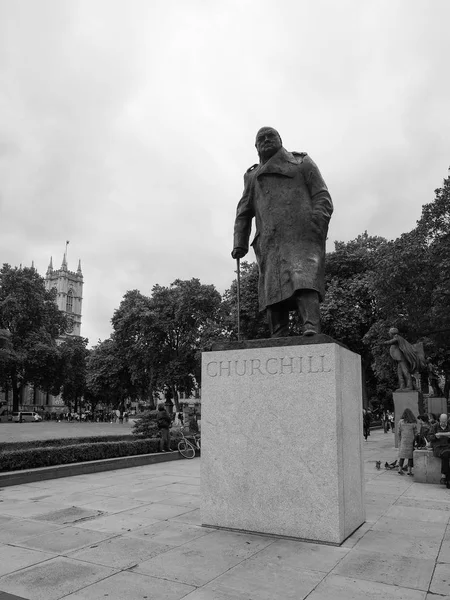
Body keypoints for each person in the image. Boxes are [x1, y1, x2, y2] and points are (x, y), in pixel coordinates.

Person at [232, 127, 333, 337]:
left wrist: (316, 225)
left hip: (302, 236)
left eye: (271, 136)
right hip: (270, 240)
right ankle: (278, 334)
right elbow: (244, 211)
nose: (266, 140)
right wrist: (239, 243)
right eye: (261, 138)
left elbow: (322, 196)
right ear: (256, 146)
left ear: (281, 140)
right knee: (273, 290)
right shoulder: (252, 177)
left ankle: (311, 326)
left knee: (304, 280)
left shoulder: (301, 163)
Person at [429, 413, 450, 488]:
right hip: (438, 447)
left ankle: (445, 477)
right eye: (442, 421)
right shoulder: (434, 426)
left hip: (447, 446)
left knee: (446, 455)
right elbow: (430, 437)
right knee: (446, 455)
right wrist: (435, 436)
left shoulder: (449, 426)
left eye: (445, 421)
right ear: (439, 420)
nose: (444, 423)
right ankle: (446, 478)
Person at [397, 408, 417, 476]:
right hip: (411, 441)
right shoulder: (413, 422)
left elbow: (398, 432)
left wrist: (400, 439)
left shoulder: (400, 422)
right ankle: (409, 471)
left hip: (403, 440)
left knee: (402, 456)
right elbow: (415, 432)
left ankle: (400, 469)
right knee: (410, 457)